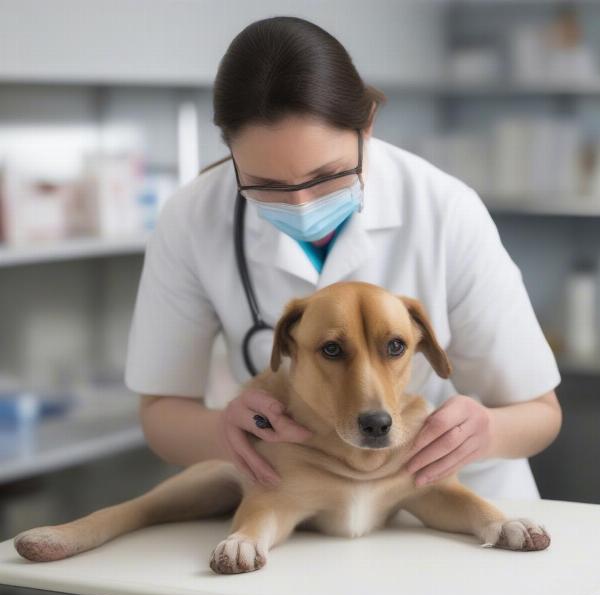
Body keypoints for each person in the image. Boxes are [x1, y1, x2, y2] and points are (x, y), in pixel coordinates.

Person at [124, 16, 563, 499]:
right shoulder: (192, 217)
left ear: (367, 124)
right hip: (303, 507)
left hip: (450, 498)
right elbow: (162, 412)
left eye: (326, 177)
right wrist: (223, 433)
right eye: (266, 185)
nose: (301, 205)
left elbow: (540, 414)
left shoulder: (444, 209)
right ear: (229, 148)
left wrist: (485, 433)